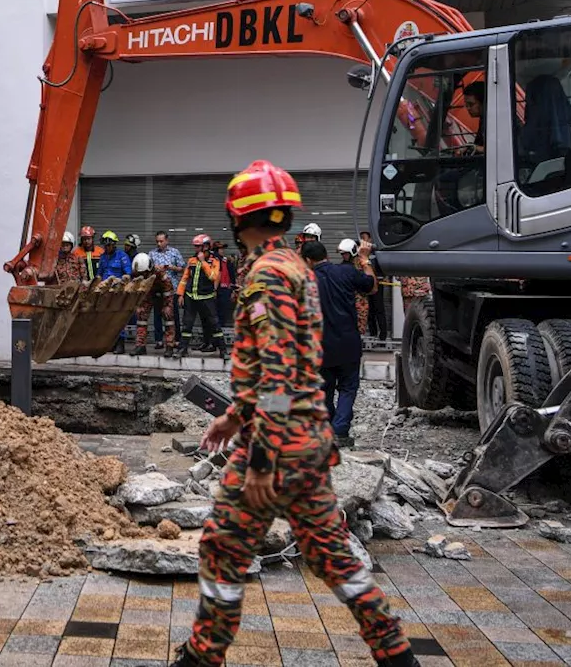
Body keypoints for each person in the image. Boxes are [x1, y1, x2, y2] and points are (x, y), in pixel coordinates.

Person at [170, 159, 416, 667]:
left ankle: (201, 656)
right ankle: (397, 656)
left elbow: (279, 374)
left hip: (278, 447)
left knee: (223, 548)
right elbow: (286, 365)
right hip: (309, 443)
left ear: (239, 217)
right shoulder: (295, 268)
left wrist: (259, 456)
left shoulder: (265, 276)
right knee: (334, 557)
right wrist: (234, 416)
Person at [304, 239, 376, 449]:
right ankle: (340, 429)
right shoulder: (346, 272)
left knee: (324, 387)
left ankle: (329, 428)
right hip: (348, 342)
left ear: (308, 260)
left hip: (320, 345)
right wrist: (364, 260)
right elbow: (371, 287)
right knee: (348, 387)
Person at [178, 234, 226, 359]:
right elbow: (185, 278)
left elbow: (213, 277)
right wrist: (180, 294)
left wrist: (203, 262)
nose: (196, 249)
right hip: (191, 297)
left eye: (198, 246)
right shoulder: (191, 260)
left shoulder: (214, 261)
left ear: (206, 247)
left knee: (214, 324)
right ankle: (182, 349)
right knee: (187, 324)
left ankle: (223, 350)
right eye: (195, 246)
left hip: (207, 298)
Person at [131, 253, 175, 358]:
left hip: (163, 294)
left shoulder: (160, 273)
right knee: (141, 315)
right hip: (148, 294)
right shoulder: (137, 272)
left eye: (144, 273)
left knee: (168, 317)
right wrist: (138, 304)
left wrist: (168, 305)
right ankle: (140, 346)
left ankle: (169, 346)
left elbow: (168, 290)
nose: (143, 275)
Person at [98, 231, 132, 353]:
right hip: (105, 292)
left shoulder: (122, 256)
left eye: (108, 245)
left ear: (114, 244)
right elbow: (99, 274)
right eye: (105, 246)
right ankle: (110, 343)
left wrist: (121, 280)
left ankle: (120, 344)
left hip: (118, 292)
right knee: (106, 318)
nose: (106, 248)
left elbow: (128, 273)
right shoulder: (103, 257)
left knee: (118, 318)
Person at [149, 232, 184, 342]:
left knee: (173, 315)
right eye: (157, 241)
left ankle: (176, 339)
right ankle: (159, 340)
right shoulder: (151, 254)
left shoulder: (174, 252)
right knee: (157, 315)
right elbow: (146, 270)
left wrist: (171, 267)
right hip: (157, 288)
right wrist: (154, 269)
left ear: (167, 241)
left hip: (171, 289)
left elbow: (183, 269)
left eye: (161, 241)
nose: (159, 244)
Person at [360, 231, 390, 341]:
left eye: (365, 238)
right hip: (365, 285)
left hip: (378, 284)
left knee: (379, 309)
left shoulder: (377, 252)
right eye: (361, 239)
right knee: (369, 310)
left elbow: (384, 266)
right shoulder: (360, 252)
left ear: (370, 240)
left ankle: (383, 335)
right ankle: (372, 333)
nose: (363, 241)